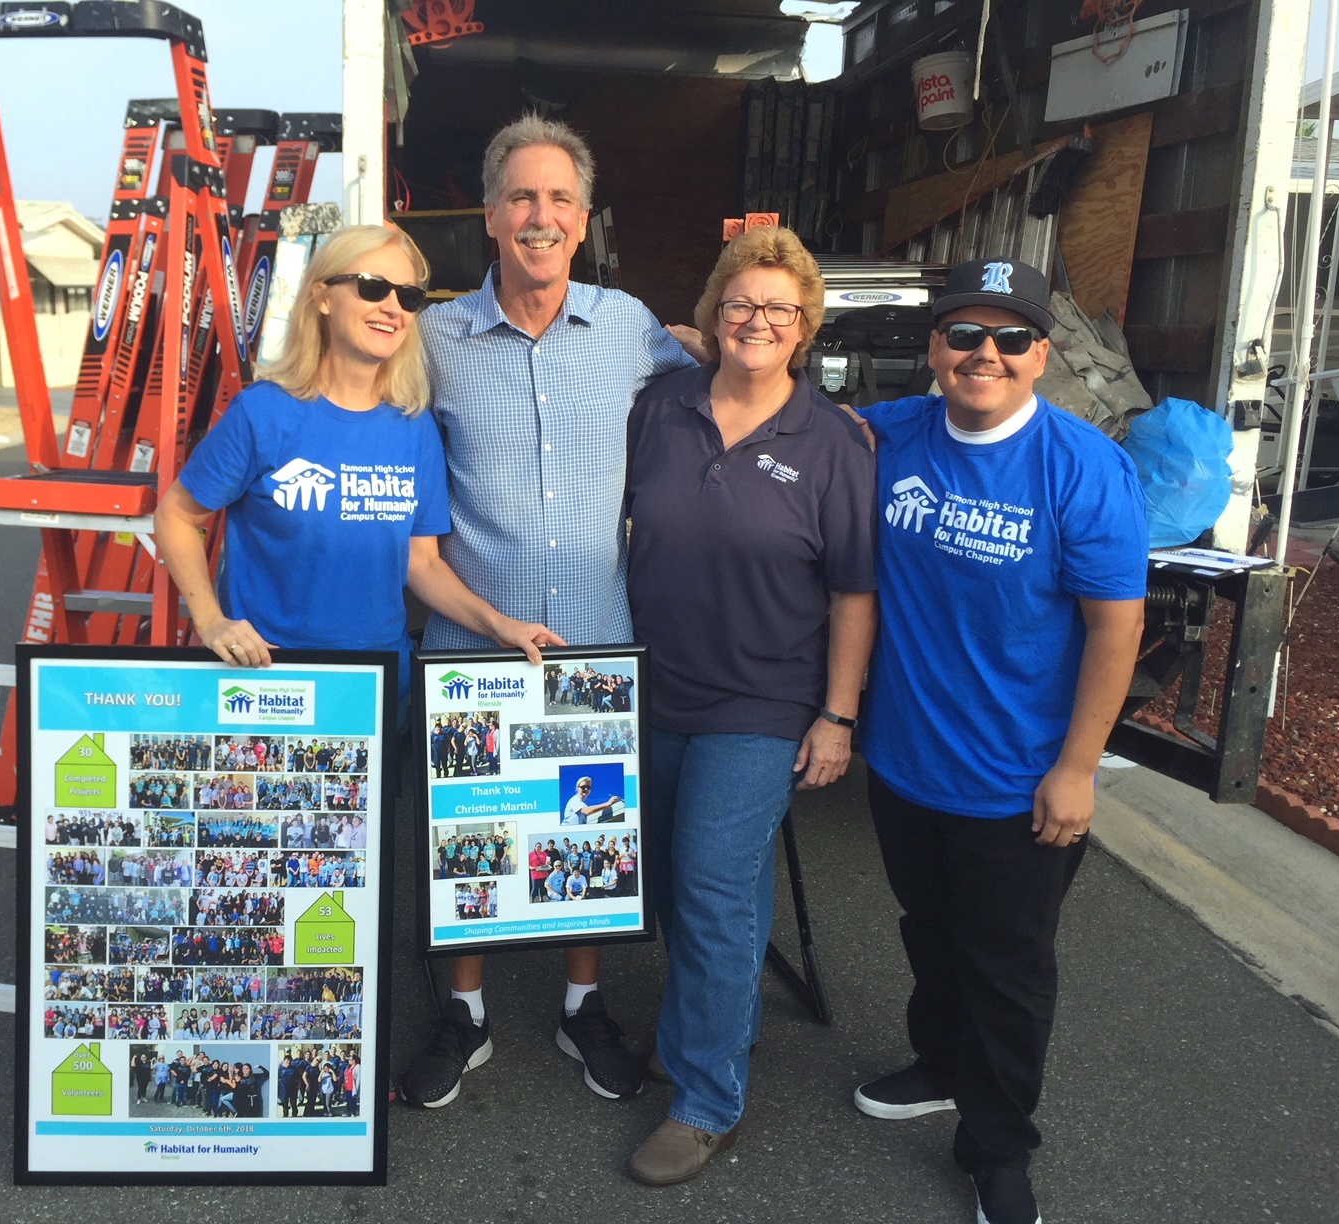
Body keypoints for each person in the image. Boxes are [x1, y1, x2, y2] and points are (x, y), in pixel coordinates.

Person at [400, 113, 703, 1110]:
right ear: (490, 216)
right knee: (474, 841)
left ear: (584, 221)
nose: (540, 216)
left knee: (587, 837)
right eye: (522, 197)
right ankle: (467, 1017)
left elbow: (729, 387)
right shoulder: (435, 337)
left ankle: (582, 1007)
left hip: (593, 639)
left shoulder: (627, 328)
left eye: (559, 199)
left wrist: (846, 438)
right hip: (471, 640)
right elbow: (354, 400)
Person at [848, 257, 1147, 1224]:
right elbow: (797, 421)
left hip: (1018, 783)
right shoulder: (893, 432)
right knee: (928, 935)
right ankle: (939, 1064)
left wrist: (1077, 770)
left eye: (1009, 337)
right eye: (964, 335)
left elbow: (1117, 627)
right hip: (904, 762)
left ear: (1041, 354)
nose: (985, 354)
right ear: (934, 350)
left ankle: (998, 1150)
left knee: (1007, 973)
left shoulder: (1083, 467)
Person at [623, 226, 878, 1185]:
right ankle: (710, 1025)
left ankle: (705, 1100)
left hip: (764, 701)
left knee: (715, 888)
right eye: (740, 303)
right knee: (675, 882)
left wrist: (837, 715)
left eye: (778, 308)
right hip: (651, 690)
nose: (756, 320)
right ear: (713, 315)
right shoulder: (662, 406)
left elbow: (855, 591)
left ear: (804, 326)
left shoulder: (834, 444)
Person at [153, 224, 564, 713]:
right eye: (373, 287)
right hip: (272, 688)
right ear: (323, 296)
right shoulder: (263, 414)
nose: (393, 307)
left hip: (380, 691)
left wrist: (501, 626)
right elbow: (177, 516)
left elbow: (422, 562)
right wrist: (210, 619)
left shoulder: (413, 427)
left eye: (408, 296)